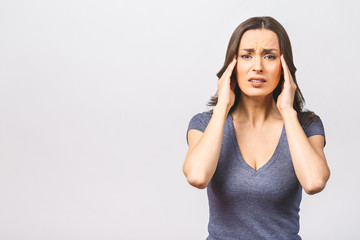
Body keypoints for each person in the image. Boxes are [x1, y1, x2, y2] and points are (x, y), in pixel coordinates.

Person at [183, 16, 330, 240]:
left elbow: (314, 182)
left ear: (284, 67)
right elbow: (197, 177)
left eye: (269, 56)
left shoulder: (306, 125)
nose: (257, 67)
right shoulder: (204, 124)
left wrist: (288, 111)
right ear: (234, 64)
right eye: (247, 55)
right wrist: (223, 105)